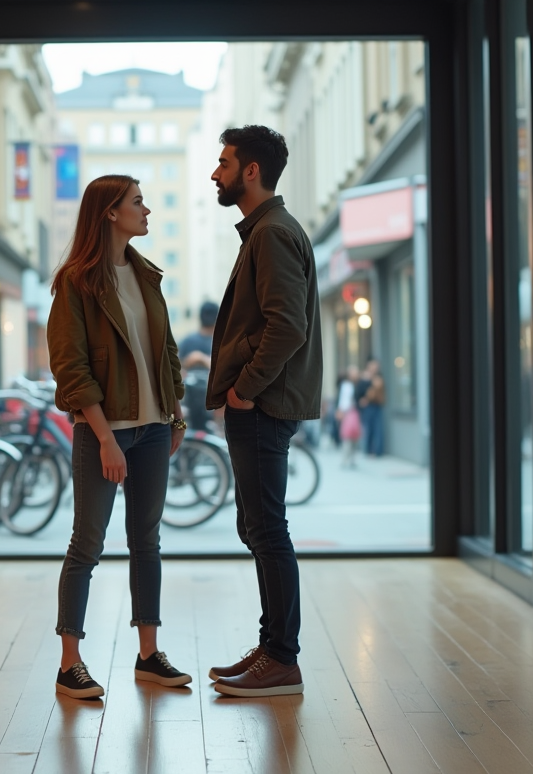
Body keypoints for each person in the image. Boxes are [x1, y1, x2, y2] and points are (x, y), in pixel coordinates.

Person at [46, 174, 191, 700]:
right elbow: (72, 368)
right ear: (110, 212)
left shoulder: (147, 275)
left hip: (154, 431)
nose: (146, 209)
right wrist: (106, 438)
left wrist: (175, 414)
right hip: (103, 435)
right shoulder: (76, 282)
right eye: (137, 202)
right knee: (87, 543)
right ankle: (70, 662)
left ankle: (149, 655)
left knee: (146, 541)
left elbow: (166, 351)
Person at [205, 125, 322, 697]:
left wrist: (245, 389)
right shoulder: (266, 231)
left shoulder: (272, 233)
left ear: (252, 171)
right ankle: (271, 646)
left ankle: (281, 657)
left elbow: (287, 326)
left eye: (224, 163)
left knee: (267, 529)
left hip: (264, 404)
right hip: (263, 403)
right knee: (258, 527)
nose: (215, 173)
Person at [178, 301, 219, 431]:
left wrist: (201, 359)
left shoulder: (187, 340)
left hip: (194, 405)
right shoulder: (222, 342)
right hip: (202, 404)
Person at [359, 359, 386, 457]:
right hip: (368, 406)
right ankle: (368, 450)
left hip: (377, 405)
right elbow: (359, 391)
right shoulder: (365, 377)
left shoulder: (379, 377)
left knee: (377, 428)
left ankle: (378, 451)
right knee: (369, 428)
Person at [337, 365, 361, 467]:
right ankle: (345, 459)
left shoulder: (358, 384)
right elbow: (344, 400)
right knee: (347, 437)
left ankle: (352, 459)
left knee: (354, 437)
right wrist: (341, 411)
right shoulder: (346, 385)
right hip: (349, 413)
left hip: (355, 413)